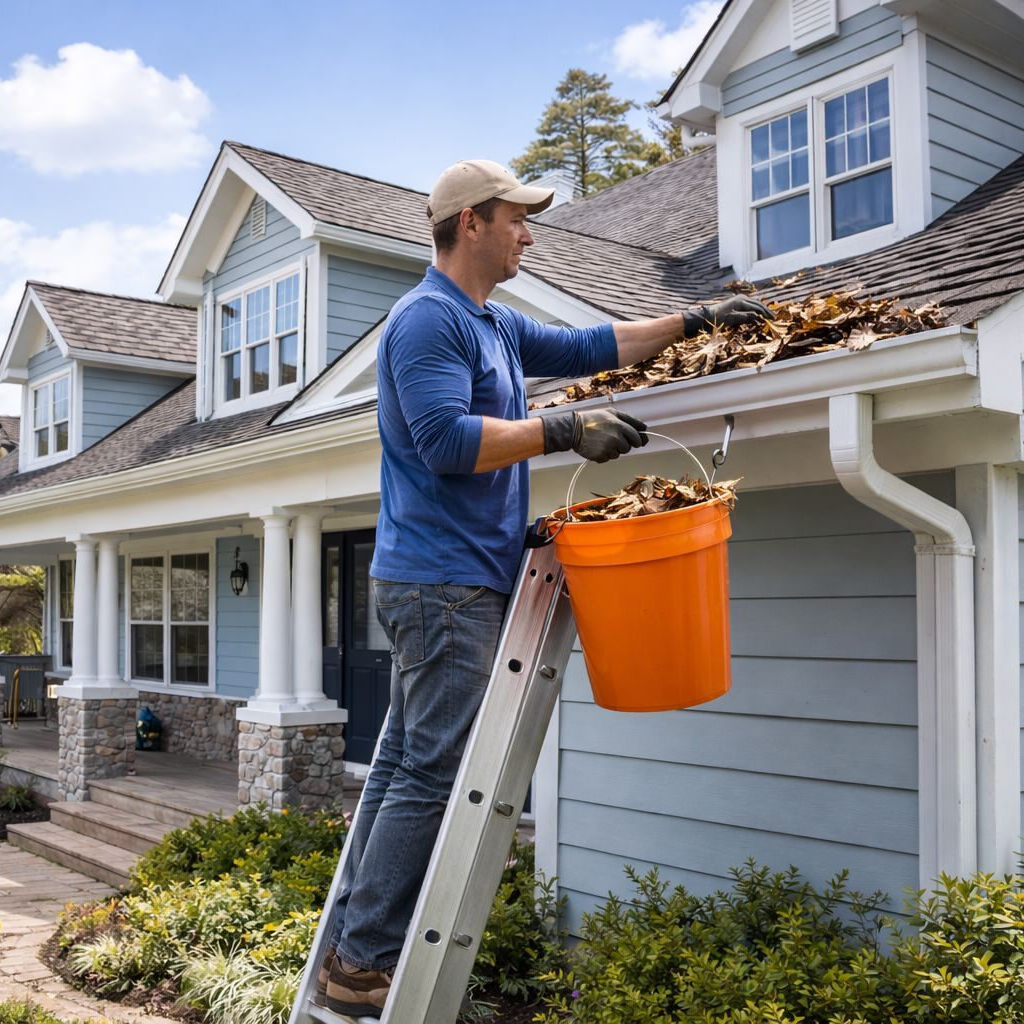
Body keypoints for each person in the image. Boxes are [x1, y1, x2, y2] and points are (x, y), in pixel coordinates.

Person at [316, 158, 772, 1017]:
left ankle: (352, 947)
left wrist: (695, 318)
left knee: (405, 767)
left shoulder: (490, 322)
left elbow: (591, 346)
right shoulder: (427, 319)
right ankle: (365, 962)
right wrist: (562, 429)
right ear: (472, 223)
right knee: (429, 774)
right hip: (443, 585)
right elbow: (447, 442)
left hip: (447, 578)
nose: (529, 234)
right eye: (517, 219)